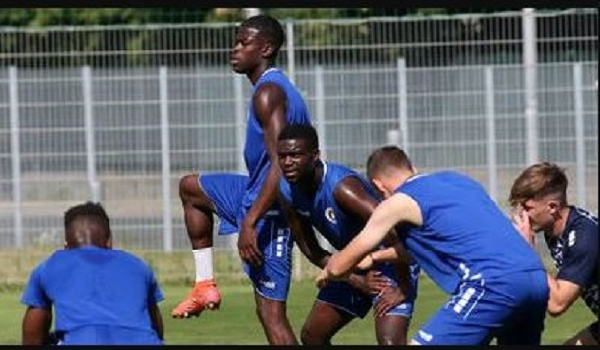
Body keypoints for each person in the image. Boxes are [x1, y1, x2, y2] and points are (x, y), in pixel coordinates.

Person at [316, 146, 550, 345]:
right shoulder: (458, 181)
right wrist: (377, 258)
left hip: (493, 283)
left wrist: (330, 270)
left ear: (378, 186)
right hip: (535, 278)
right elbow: (437, 246)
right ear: (412, 168)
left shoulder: (397, 202)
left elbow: (339, 266)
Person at [171, 14, 311, 344]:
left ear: (266, 48)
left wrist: (250, 221)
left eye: (243, 43)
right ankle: (204, 285)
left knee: (271, 313)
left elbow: (282, 164)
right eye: (236, 41)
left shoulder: (269, 93)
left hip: (275, 208)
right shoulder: (270, 88)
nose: (234, 49)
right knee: (191, 187)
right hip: (252, 192)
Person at [276, 124, 420, 345]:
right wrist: (355, 279)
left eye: (295, 155)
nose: (287, 163)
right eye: (282, 156)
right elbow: (311, 249)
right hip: (352, 265)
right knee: (313, 336)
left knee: (390, 342)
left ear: (315, 156)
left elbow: (391, 229)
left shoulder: (343, 189)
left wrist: (402, 286)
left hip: (391, 260)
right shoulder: (287, 191)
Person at [21, 202, 164, 345]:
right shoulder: (139, 266)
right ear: (109, 242)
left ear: (66, 246)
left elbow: (32, 338)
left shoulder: (50, 266)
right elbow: (155, 326)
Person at [510, 162, 598, 345]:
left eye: (527, 208)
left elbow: (557, 304)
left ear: (552, 207)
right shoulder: (555, 232)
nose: (521, 216)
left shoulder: (584, 236)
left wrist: (529, 253)